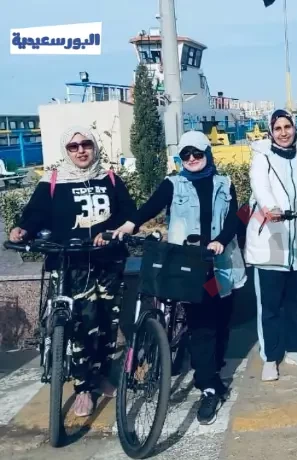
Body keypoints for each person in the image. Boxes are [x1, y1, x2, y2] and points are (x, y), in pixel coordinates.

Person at [113, 130, 246, 425]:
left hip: (221, 266)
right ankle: (209, 387)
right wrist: (129, 225)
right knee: (202, 326)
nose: (192, 159)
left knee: (221, 322)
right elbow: (150, 207)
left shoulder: (225, 183)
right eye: (186, 155)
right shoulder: (173, 184)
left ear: (207, 154)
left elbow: (235, 218)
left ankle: (214, 369)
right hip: (190, 268)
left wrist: (221, 241)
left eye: (197, 153)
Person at [9, 127, 137, 417]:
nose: (80, 150)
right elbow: (36, 214)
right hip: (70, 266)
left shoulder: (110, 179)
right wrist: (22, 229)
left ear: (94, 146)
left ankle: (102, 375)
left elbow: (129, 213)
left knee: (106, 324)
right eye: (73, 146)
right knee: (79, 326)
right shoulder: (53, 181)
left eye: (86, 144)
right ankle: (82, 388)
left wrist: (111, 231)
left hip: (108, 262)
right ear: (65, 150)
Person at [245, 109, 297, 382]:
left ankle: (295, 349)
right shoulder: (261, 157)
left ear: (294, 128)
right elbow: (260, 186)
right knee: (270, 304)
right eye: (278, 128)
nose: (284, 132)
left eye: (287, 127)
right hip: (272, 240)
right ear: (270, 132)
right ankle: (271, 356)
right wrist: (270, 207)